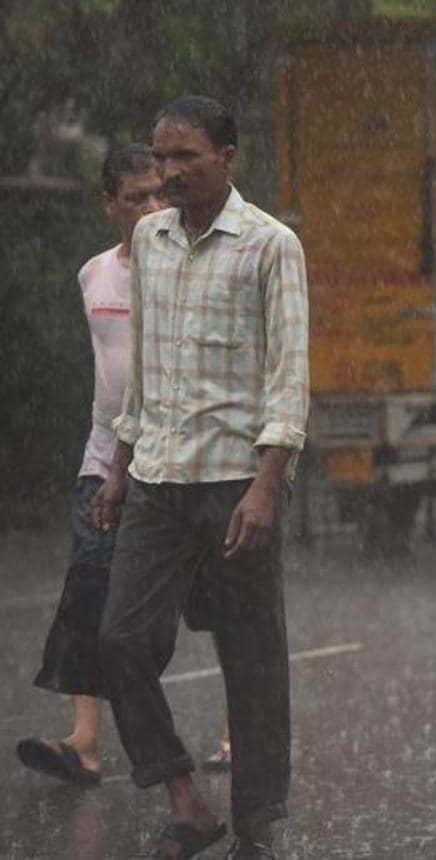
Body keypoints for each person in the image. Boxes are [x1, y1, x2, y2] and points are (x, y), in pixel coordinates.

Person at [93, 96, 308, 860]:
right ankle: (184, 797)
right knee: (118, 639)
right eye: (162, 158)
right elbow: (144, 369)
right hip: (155, 476)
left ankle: (255, 821)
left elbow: (288, 376)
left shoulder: (270, 245)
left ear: (228, 157)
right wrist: (119, 468)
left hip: (233, 483)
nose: (170, 172)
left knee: (249, 656)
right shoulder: (149, 239)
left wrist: (264, 485)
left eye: (187, 157)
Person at [14, 144, 162, 789]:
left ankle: (234, 733)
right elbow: (111, 373)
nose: (153, 208)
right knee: (88, 586)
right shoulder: (94, 275)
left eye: (161, 194)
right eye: (137, 198)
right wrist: (111, 460)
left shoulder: (187, 269)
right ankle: (85, 742)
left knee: (212, 599)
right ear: (110, 205)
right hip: (104, 458)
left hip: (180, 462)